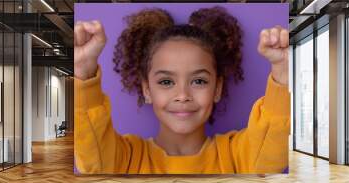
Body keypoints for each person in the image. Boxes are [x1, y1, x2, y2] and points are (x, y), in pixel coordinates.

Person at [74, 6, 290, 174]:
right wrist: (84, 71)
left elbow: (269, 153)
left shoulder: (236, 154)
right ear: (147, 90)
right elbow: (93, 157)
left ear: (217, 88)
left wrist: (282, 71)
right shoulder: (127, 157)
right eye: (166, 82)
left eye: (199, 81)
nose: (183, 96)